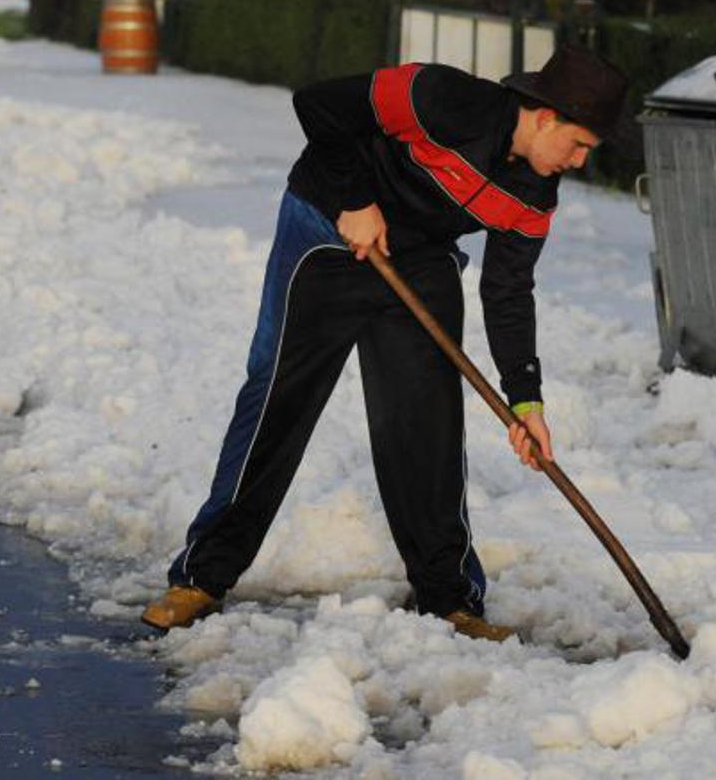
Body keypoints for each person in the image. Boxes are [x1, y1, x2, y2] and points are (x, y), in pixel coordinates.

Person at [141, 44, 629, 641]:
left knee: (428, 426)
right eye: (578, 144)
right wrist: (355, 201)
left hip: (417, 265)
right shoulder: (441, 98)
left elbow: (508, 294)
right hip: (327, 234)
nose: (579, 162)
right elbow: (317, 106)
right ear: (546, 117)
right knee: (278, 402)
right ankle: (201, 577)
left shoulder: (534, 196)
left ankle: (450, 601)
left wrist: (526, 400)